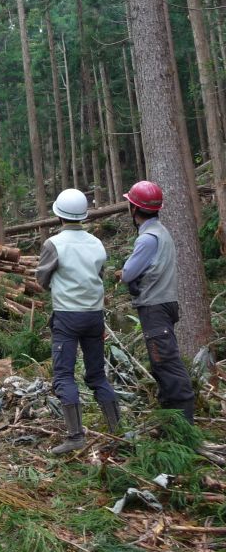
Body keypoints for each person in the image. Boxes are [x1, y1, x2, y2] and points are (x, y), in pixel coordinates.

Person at [35, 188, 119, 452]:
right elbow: (100, 274)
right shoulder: (96, 243)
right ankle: (118, 432)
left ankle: (75, 437)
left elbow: (41, 279)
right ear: (82, 216)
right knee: (97, 376)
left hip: (67, 316)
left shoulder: (54, 244)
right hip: (94, 316)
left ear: (58, 214)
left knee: (63, 376)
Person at [119, 180, 196, 423]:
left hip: (155, 308)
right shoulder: (161, 232)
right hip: (164, 304)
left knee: (166, 364)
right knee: (161, 362)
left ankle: (183, 425)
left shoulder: (147, 239)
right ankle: (170, 421)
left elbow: (128, 273)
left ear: (134, 209)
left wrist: (123, 273)